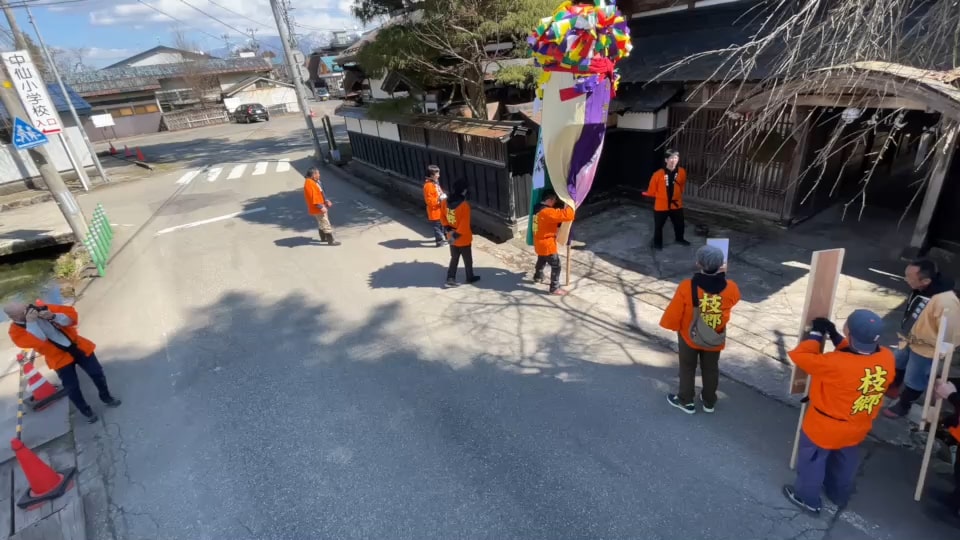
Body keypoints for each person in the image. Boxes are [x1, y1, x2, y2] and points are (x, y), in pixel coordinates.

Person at [782, 310, 895, 515]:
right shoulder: (887, 357)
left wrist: (816, 335)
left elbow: (802, 356)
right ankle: (838, 493)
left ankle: (808, 498)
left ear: (848, 331)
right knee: (845, 458)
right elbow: (856, 354)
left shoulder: (834, 363)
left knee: (814, 460)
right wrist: (834, 336)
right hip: (858, 424)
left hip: (826, 426)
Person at [5, 302, 121, 423]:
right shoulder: (15, 333)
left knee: (97, 373)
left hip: (78, 346)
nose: (30, 311)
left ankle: (106, 397)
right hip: (58, 358)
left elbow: (72, 319)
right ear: (14, 317)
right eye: (24, 311)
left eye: (27, 307)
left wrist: (53, 316)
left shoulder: (43, 308)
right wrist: (31, 323)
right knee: (72, 388)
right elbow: (39, 340)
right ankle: (86, 411)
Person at [660, 245, 740, 413]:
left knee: (687, 367)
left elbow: (675, 312)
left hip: (690, 335)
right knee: (711, 368)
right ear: (721, 265)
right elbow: (734, 300)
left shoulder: (687, 286)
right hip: (714, 335)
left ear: (698, 263)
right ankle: (709, 401)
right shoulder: (731, 286)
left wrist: (673, 326)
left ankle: (686, 401)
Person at [883, 259, 960, 418]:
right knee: (899, 361)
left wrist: (940, 351)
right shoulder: (921, 288)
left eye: (909, 277)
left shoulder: (947, 302)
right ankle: (893, 386)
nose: (905, 279)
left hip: (926, 346)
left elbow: (952, 333)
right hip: (910, 337)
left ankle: (904, 405)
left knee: (915, 377)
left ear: (926, 280)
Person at [643, 150, 690, 250]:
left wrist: (676, 195)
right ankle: (657, 244)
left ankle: (680, 239)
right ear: (666, 160)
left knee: (680, 224)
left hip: (676, 204)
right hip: (661, 205)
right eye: (671, 158)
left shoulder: (682, 172)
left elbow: (682, 186)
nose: (673, 160)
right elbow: (651, 191)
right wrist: (662, 196)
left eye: (676, 158)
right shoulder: (657, 174)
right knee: (659, 226)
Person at [532, 191, 575, 295]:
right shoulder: (548, 212)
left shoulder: (536, 208)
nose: (555, 203)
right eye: (554, 201)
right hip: (547, 244)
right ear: (550, 200)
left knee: (541, 259)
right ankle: (554, 288)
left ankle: (538, 276)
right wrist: (571, 204)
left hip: (538, 241)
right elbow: (567, 215)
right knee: (556, 265)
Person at [440, 179, 480, 288]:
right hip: (463, 238)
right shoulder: (464, 205)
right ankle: (469, 277)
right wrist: (456, 235)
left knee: (454, 257)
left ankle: (450, 278)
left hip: (450, 234)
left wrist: (449, 230)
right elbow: (464, 225)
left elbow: (442, 216)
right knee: (467, 259)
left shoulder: (445, 202)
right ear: (464, 191)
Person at [303, 167, 340, 246]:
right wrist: (320, 206)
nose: (319, 175)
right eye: (318, 173)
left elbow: (321, 193)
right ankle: (331, 241)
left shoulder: (316, 181)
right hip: (317, 207)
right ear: (313, 175)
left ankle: (323, 238)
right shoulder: (309, 184)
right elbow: (313, 197)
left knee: (321, 222)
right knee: (325, 222)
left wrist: (326, 201)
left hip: (320, 205)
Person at [423, 165, 447, 247]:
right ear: (431, 175)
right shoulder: (428, 186)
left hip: (440, 209)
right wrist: (439, 200)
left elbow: (439, 193)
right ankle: (439, 242)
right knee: (438, 227)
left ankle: (445, 239)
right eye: (437, 174)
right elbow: (429, 201)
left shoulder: (435, 183)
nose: (439, 175)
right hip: (435, 210)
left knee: (442, 225)